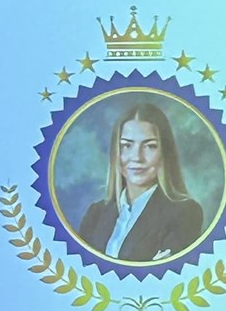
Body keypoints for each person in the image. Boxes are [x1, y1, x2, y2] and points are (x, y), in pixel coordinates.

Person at [74, 100, 204, 263]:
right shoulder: (96, 214)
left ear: (165, 152)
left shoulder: (184, 213)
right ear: (116, 153)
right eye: (127, 146)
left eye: (150, 146)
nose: (137, 157)